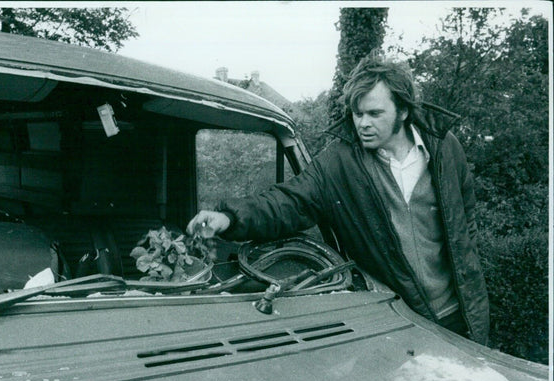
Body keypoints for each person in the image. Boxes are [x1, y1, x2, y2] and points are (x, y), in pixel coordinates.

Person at [187, 54, 489, 345]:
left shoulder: (444, 149)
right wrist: (229, 218)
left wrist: (474, 304)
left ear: (404, 110)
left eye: (374, 113)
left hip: (458, 316)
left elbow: (465, 228)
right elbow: (289, 201)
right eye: (358, 114)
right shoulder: (339, 163)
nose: (363, 124)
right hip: (397, 319)